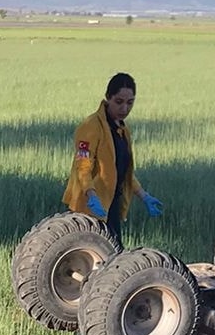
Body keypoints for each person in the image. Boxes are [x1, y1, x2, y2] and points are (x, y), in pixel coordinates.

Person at [63, 72, 163, 245]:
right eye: (119, 102)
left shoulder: (123, 130)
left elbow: (122, 171)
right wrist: (91, 195)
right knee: (94, 253)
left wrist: (144, 196)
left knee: (114, 251)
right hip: (89, 207)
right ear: (108, 97)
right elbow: (83, 166)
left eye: (130, 103)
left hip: (111, 205)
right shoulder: (91, 127)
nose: (124, 109)